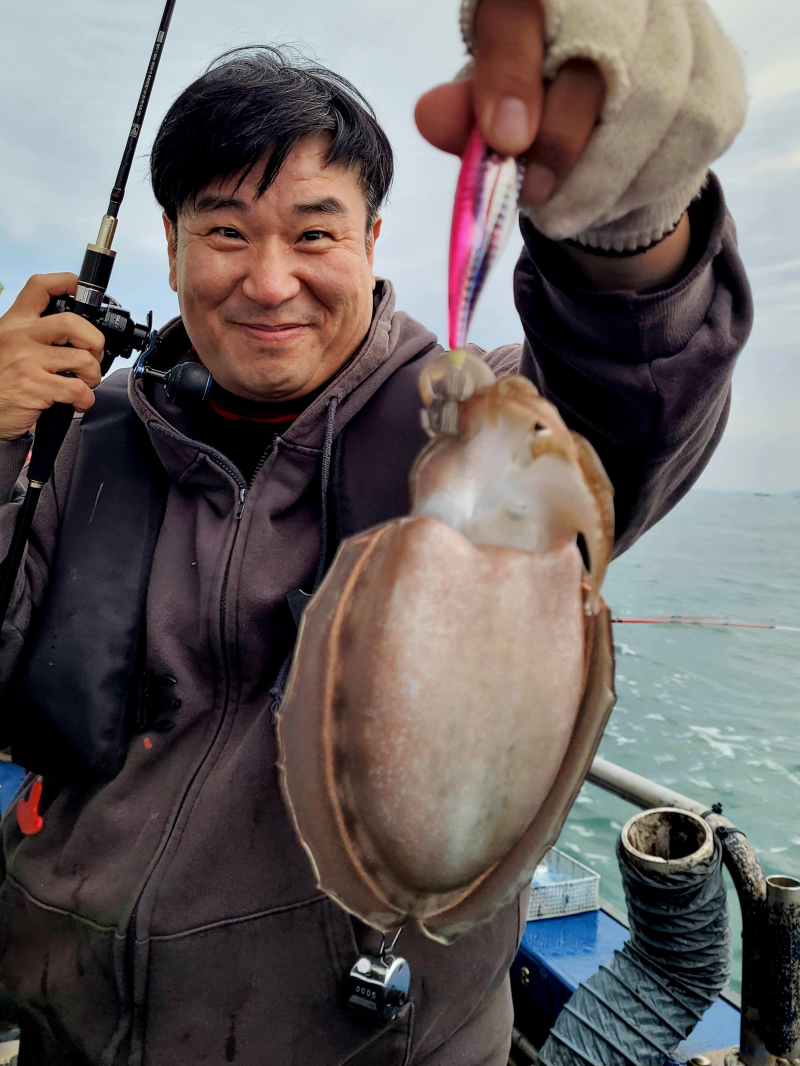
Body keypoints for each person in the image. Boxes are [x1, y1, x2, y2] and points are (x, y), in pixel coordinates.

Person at [0, 0, 752, 1062]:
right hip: (62, 1028)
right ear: (168, 247)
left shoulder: (474, 421)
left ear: (370, 242)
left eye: (313, 232)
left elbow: (627, 396)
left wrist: (623, 224)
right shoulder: (77, 439)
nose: (270, 281)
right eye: (224, 230)